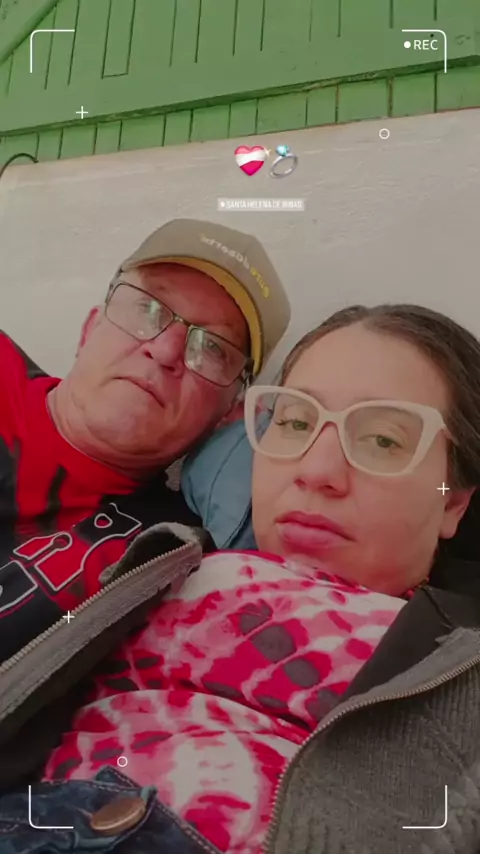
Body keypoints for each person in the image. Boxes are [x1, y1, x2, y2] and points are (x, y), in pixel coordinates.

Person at [4, 302, 480, 854]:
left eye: (382, 440)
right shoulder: (153, 570)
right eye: (295, 422)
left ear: (453, 503)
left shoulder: (459, 679)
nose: (316, 471)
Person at [0, 217, 290, 665]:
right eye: (148, 308)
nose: (166, 350)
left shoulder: (167, 556)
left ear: (228, 412)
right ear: (90, 328)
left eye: (212, 347)